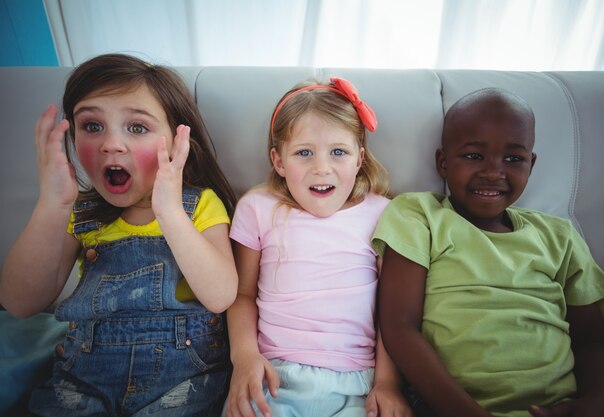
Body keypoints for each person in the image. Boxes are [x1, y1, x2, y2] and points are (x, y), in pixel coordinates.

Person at [0, 53, 239, 416]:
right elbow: (19, 302)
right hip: (83, 379)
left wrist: (170, 213)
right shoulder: (80, 213)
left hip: (182, 381)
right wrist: (52, 204)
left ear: (176, 142)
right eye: (92, 126)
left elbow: (221, 296)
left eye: (137, 128)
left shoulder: (197, 206)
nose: (111, 144)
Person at [372, 87, 604, 417]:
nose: (494, 172)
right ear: (443, 162)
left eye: (513, 158)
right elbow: (399, 325)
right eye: (474, 156)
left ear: (531, 164)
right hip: (447, 405)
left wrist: (601, 402)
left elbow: (592, 339)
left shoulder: (558, 235)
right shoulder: (419, 215)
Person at [222, 78, 412, 417]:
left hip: (357, 384)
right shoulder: (258, 208)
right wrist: (245, 358)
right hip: (272, 378)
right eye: (303, 152)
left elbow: (392, 311)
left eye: (338, 152)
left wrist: (388, 383)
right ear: (278, 161)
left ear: (359, 159)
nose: (321, 167)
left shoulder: (382, 214)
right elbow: (242, 295)